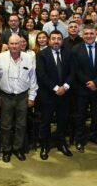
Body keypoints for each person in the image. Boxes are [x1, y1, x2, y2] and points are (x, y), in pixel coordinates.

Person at [0, 34, 37, 162]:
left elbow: (33, 78)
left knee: (21, 125)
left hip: (23, 96)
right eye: (12, 43)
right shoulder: (0, 58)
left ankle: (17, 148)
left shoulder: (29, 58)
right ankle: (6, 150)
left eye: (17, 43)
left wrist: (32, 96)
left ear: (21, 44)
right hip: (5, 96)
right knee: (5, 125)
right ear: (8, 44)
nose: (14, 46)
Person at [70, 26, 97, 152]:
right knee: (81, 115)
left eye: (91, 33)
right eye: (86, 34)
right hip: (82, 89)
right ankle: (80, 139)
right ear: (83, 35)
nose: (89, 36)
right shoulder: (75, 49)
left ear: (95, 34)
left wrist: (96, 82)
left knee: (96, 114)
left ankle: (95, 136)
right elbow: (76, 70)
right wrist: (88, 82)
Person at [36, 30, 73, 159]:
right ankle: (44, 146)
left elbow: (73, 72)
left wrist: (65, 86)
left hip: (65, 94)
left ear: (62, 41)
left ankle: (61, 143)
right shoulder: (41, 54)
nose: (56, 41)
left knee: (62, 120)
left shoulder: (68, 53)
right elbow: (41, 75)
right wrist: (56, 88)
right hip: (48, 95)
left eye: (59, 38)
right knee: (45, 122)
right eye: (53, 38)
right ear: (49, 40)